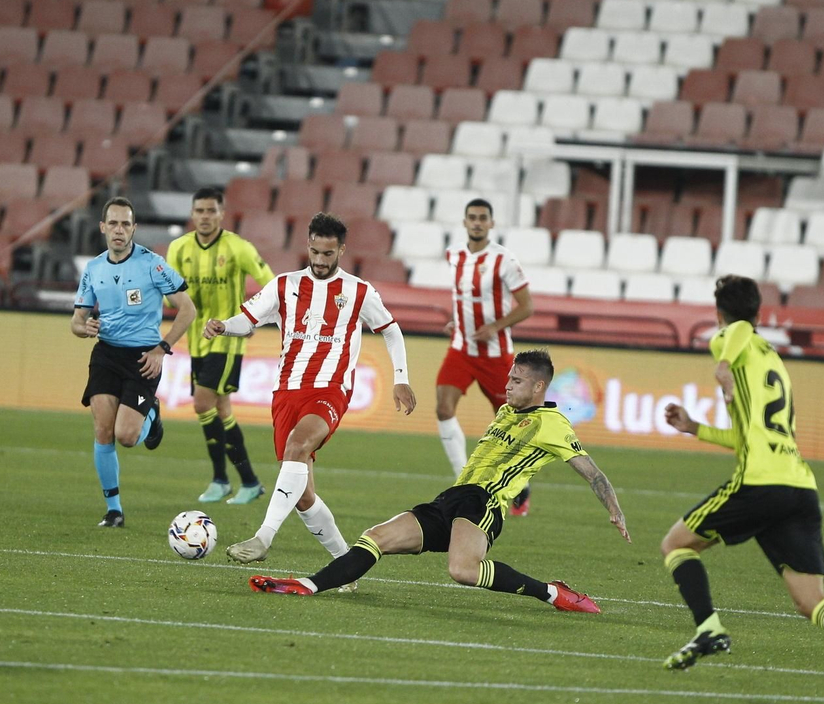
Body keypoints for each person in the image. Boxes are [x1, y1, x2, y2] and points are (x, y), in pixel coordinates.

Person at [660, 275, 824, 704]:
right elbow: (747, 437)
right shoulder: (772, 360)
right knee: (810, 600)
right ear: (758, 310)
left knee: (676, 545)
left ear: (719, 314)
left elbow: (733, 335)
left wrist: (723, 371)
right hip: (799, 487)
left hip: (761, 482)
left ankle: (708, 629)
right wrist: (695, 427)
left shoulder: (731, 339)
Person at [250, 349, 629, 611]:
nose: (508, 385)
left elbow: (593, 473)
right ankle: (308, 585)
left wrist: (614, 509)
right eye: (509, 378)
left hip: (483, 503)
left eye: (516, 381)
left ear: (538, 387)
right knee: (376, 537)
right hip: (451, 498)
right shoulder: (506, 412)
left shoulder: (553, 424)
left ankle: (552, 593)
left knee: (463, 570)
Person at [203, 212, 415, 566]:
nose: (319, 260)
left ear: (341, 250)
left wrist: (401, 377)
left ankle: (263, 536)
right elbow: (249, 320)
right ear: (308, 246)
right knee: (302, 496)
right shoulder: (284, 285)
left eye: (327, 254)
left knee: (298, 444)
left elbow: (391, 330)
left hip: (330, 389)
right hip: (286, 391)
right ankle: (347, 564)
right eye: (314, 252)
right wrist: (224, 326)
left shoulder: (358, 291)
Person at [72, 196, 197, 528]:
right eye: (113, 223)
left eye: (125, 224)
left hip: (143, 357)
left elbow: (188, 309)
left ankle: (151, 414)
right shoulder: (94, 268)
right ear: (103, 227)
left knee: (126, 436)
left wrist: (162, 348)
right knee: (103, 431)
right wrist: (84, 328)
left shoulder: (153, 264)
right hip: (106, 354)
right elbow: (76, 321)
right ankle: (114, 510)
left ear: (134, 228)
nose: (119, 230)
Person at [166, 186, 277, 506]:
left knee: (202, 404)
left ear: (221, 214)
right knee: (221, 409)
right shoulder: (178, 249)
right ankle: (246, 482)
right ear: (192, 214)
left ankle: (222, 479)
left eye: (211, 211)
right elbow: (168, 294)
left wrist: (252, 318)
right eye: (199, 211)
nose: (205, 216)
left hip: (227, 341)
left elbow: (272, 285)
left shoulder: (238, 247)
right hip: (197, 342)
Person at [436, 198, 536, 516]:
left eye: (483, 218)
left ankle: (519, 484)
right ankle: (463, 480)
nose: (477, 222)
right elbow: (462, 297)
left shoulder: (504, 260)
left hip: (496, 355)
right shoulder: (454, 255)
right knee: (443, 408)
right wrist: (456, 321)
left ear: (491, 223)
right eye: (472, 217)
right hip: (461, 349)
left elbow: (527, 306)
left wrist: (494, 326)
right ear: (464, 222)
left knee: (509, 423)